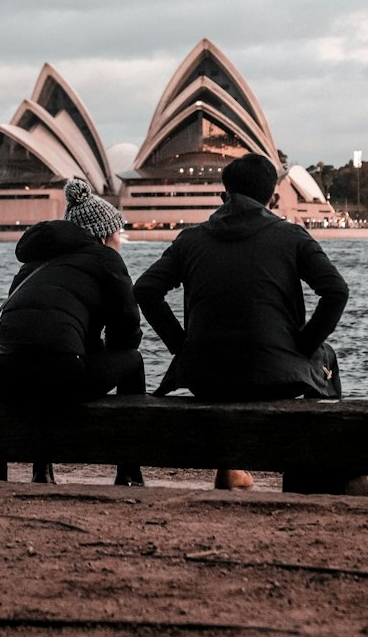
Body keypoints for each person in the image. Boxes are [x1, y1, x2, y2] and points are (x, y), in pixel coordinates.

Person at [133, 152, 349, 490]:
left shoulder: (190, 240)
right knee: (328, 357)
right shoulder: (293, 237)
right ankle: (311, 472)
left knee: (233, 371)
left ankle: (231, 465)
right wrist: (304, 346)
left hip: (205, 377)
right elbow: (336, 292)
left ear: (224, 195)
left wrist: (181, 346)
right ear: (271, 198)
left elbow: (145, 290)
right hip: (278, 376)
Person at [0, 177, 146, 487]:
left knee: (45, 363)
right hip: (63, 375)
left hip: (8, 376)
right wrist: (107, 349)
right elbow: (127, 331)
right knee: (133, 360)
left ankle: (41, 470)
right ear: (103, 236)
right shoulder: (106, 260)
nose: (119, 240)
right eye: (117, 233)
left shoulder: (32, 266)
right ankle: (128, 467)